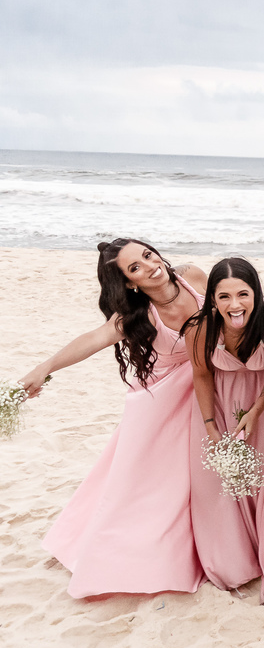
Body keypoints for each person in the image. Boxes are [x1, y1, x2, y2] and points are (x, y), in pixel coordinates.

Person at [18, 239, 207, 598]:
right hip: (160, 400)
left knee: (192, 477)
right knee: (147, 482)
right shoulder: (137, 315)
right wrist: (45, 368)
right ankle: (117, 553)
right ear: (131, 283)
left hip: (206, 386)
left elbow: (234, 307)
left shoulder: (194, 277)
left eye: (148, 256)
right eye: (135, 268)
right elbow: (96, 337)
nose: (150, 266)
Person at [184, 258, 264, 603]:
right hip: (216, 406)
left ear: (255, 293)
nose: (235, 305)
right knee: (215, 485)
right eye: (225, 297)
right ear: (213, 300)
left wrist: (257, 410)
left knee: (258, 482)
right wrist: (210, 426)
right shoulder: (200, 329)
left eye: (243, 294)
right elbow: (201, 375)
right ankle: (231, 559)